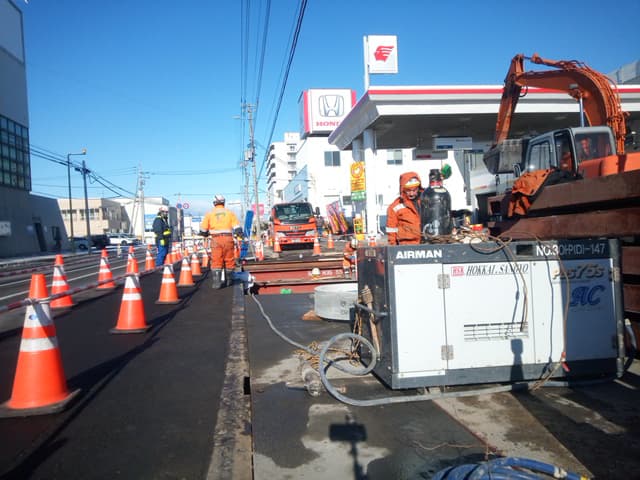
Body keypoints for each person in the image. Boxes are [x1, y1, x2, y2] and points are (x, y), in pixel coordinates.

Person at [200, 194, 243, 288]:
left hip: (216, 239)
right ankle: (229, 281)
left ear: (214, 203)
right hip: (228, 239)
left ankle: (217, 283)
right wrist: (240, 234)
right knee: (229, 260)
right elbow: (237, 227)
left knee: (216, 260)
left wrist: (205, 234)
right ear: (224, 202)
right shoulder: (229, 213)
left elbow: (203, 230)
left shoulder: (209, 214)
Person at [385, 171, 423, 245]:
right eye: (408, 190)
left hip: (426, 243)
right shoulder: (394, 207)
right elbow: (391, 230)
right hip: (406, 245)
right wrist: (393, 246)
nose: (411, 194)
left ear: (418, 188)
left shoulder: (426, 201)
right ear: (403, 189)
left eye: (414, 190)